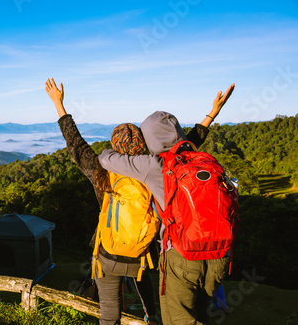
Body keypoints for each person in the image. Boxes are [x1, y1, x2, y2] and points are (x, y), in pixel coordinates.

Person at [98, 84, 235, 325]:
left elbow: (105, 159)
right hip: (219, 254)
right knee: (203, 315)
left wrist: (123, 148)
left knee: (178, 320)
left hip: (181, 255)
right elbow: (191, 140)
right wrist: (212, 113)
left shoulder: (153, 166)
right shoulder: (200, 160)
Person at [46, 78, 163, 325]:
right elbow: (183, 148)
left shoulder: (101, 172)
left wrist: (59, 105)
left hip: (107, 254)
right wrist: (208, 118)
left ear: (115, 147)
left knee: (109, 314)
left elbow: (75, 144)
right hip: (140, 253)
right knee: (143, 279)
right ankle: (151, 315)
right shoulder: (153, 170)